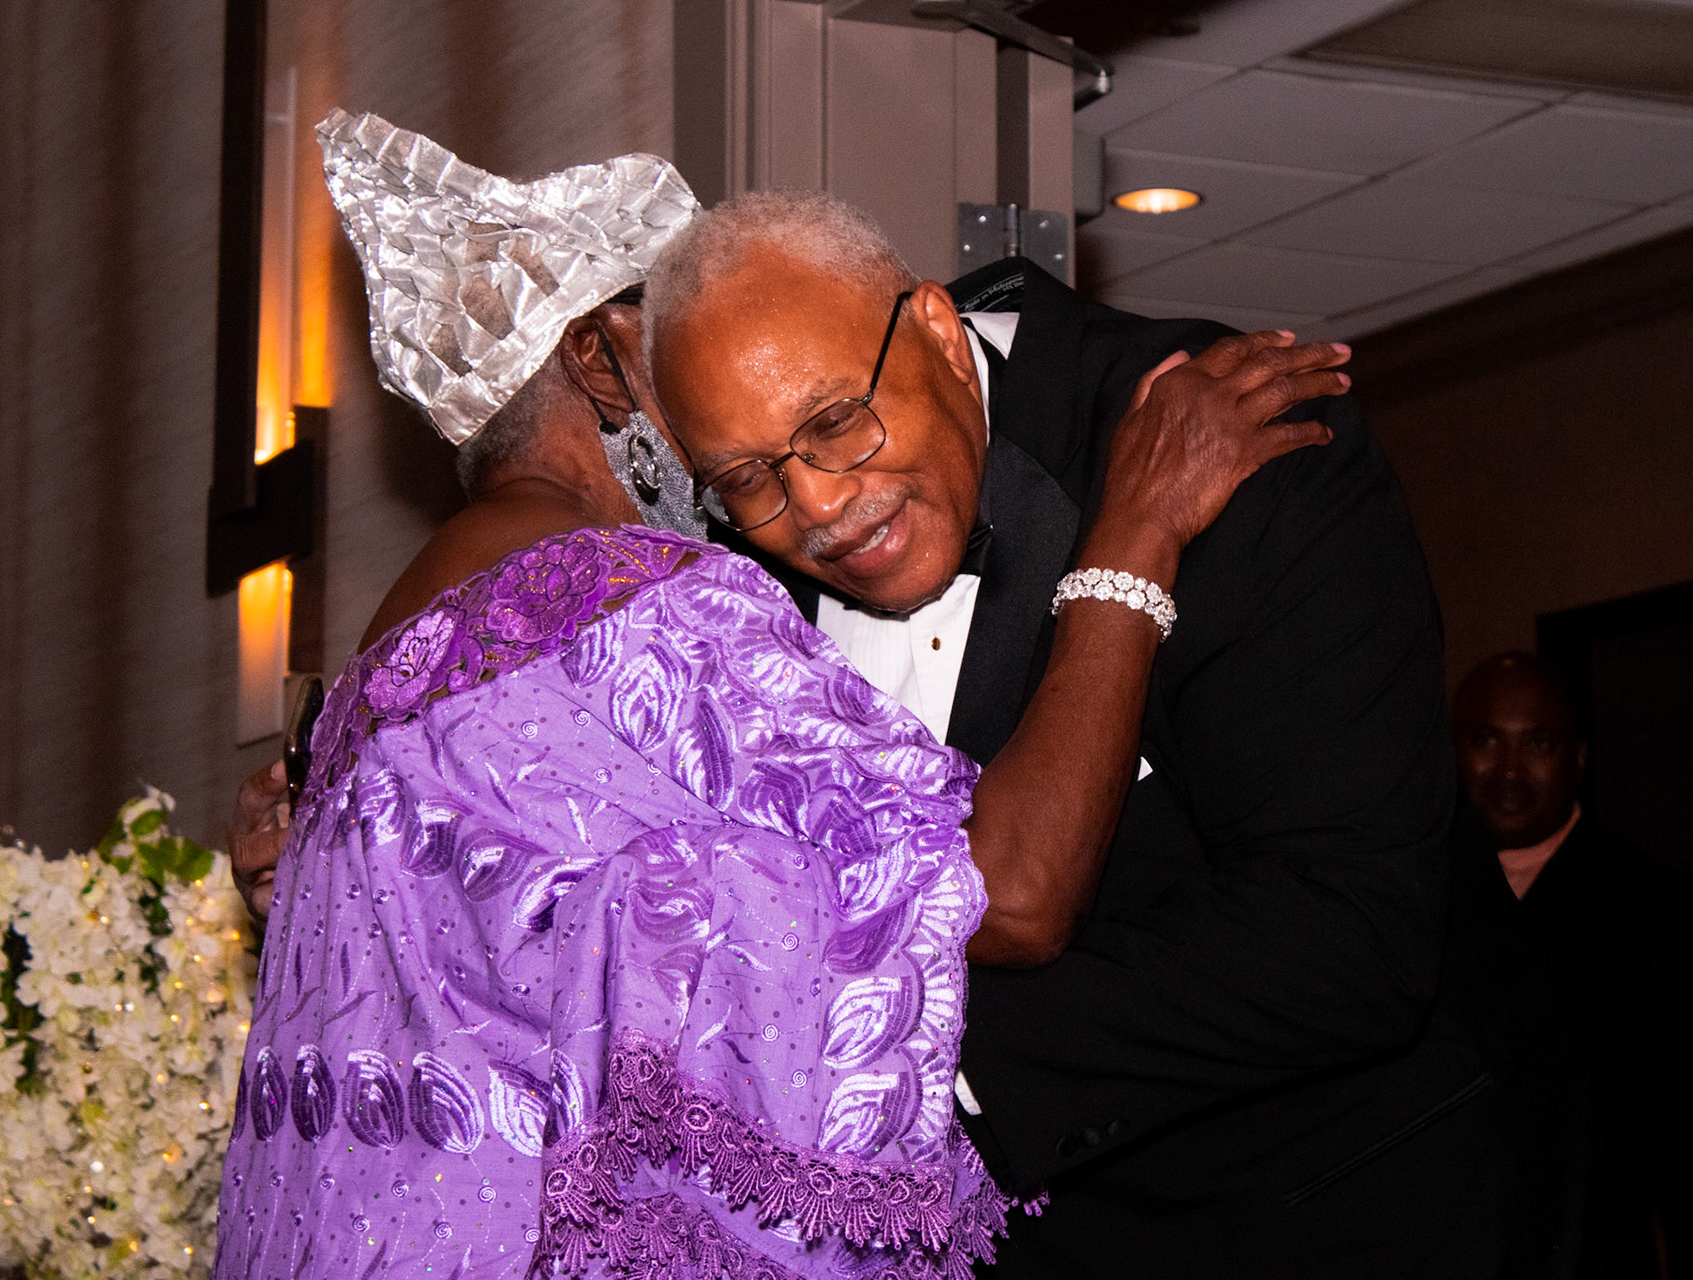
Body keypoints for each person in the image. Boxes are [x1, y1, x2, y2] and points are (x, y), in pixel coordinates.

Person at [215, 112, 1341, 1278]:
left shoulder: (379, 683)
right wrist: (1134, 534)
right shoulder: (629, 602)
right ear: (604, 359)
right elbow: (1005, 892)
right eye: (684, 343)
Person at [640, 192, 1515, 1277]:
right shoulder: (731, 589)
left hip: (1352, 1213)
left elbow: (1350, 935)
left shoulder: (1236, 443)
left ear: (937, 334)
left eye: (835, 422)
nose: (817, 504)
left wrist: (910, 1058)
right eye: (747, 478)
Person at [1454, 652, 1693, 1277]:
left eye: (1538, 743)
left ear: (1579, 759)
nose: (1509, 769)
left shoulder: (1653, 911)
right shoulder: (1408, 896)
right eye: (1485, 740)